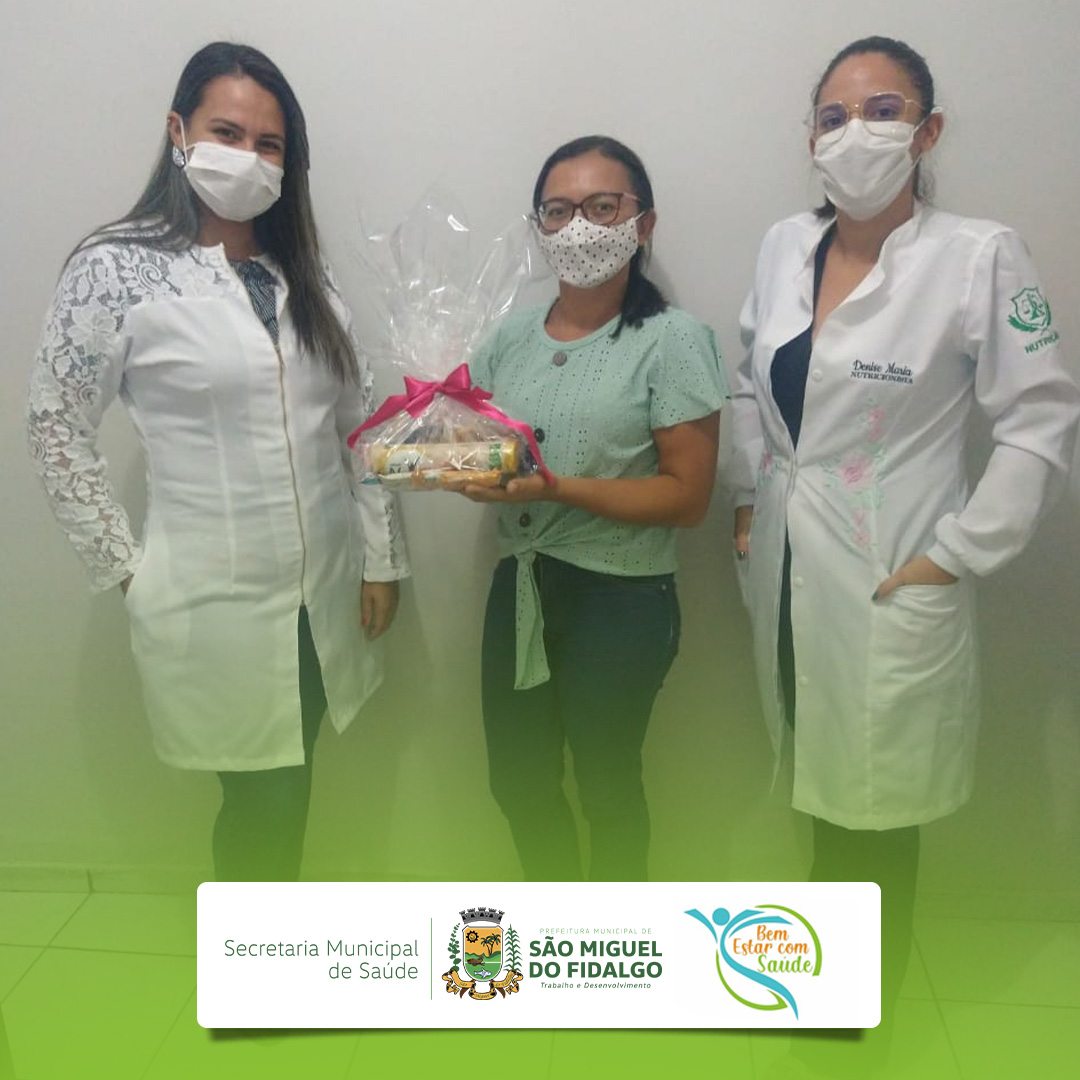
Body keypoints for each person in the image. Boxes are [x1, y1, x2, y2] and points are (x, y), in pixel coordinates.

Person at [730, 35, 1079, 1071]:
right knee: (818, 781)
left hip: (892, 573)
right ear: (810, 139)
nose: (856, 134)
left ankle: (853, 1021)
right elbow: (749, 380)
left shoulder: (978, 255)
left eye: (884, 112)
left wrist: (958, 554)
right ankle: (817, 989)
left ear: (927, 133)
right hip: (791, 567)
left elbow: (1040, 418)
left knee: (875, 810)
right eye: (834, 116)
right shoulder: (784, 246)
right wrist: (748, 498)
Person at [27, 42, 408, 882]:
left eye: (269, 144)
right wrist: (129, 571)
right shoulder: (117, 268)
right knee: (261, 802)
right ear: (179, 131)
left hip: (324, 591)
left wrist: (381, 558)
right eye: (226, 133)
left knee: (294, 783)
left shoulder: (304, 276)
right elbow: (53, 426)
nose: (248, 158)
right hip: (211, 601)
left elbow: (360, 425)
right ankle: (248, 958)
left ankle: (264, 943)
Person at [464, 135, 727, 882]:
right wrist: (445, 461)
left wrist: (554, 488)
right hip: (519, 588)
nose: (578, 226)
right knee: (517, 782)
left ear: (643, 224)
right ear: (539, 228)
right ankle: (554, 928)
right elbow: (470, 438)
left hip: (620, 600)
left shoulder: (672, 340)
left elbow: (687, 498)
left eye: (602, 207)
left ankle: (612, 940)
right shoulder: (510, 337)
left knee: (607, 790)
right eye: (558, 210)